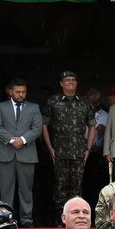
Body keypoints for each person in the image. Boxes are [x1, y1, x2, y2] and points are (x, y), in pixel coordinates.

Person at [42, 71, 96, 217]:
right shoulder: (53, 101)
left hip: (79, 152)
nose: (71, 82)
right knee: (60, 188)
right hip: (59, 152)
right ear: (61, 83)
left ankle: (76, 217)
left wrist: (88, 149)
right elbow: (44, 125)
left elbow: (92, 126)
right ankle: (60, 220)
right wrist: (49, 147)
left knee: (77, 188)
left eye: (73, 80)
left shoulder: (85, 103)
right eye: (67, 80)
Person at [0, 79, 43, 227]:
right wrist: (13, 140)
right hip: (5, 153)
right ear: (10, 92)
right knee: (6, 189)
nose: (21, 94)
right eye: (18, 92)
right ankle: (5, 219)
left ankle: (26, 220)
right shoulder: (1, 107)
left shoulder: (33, 107)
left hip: (27, 154)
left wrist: (23, 139)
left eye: (23, 92)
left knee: (26, 190)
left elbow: (37, 128)